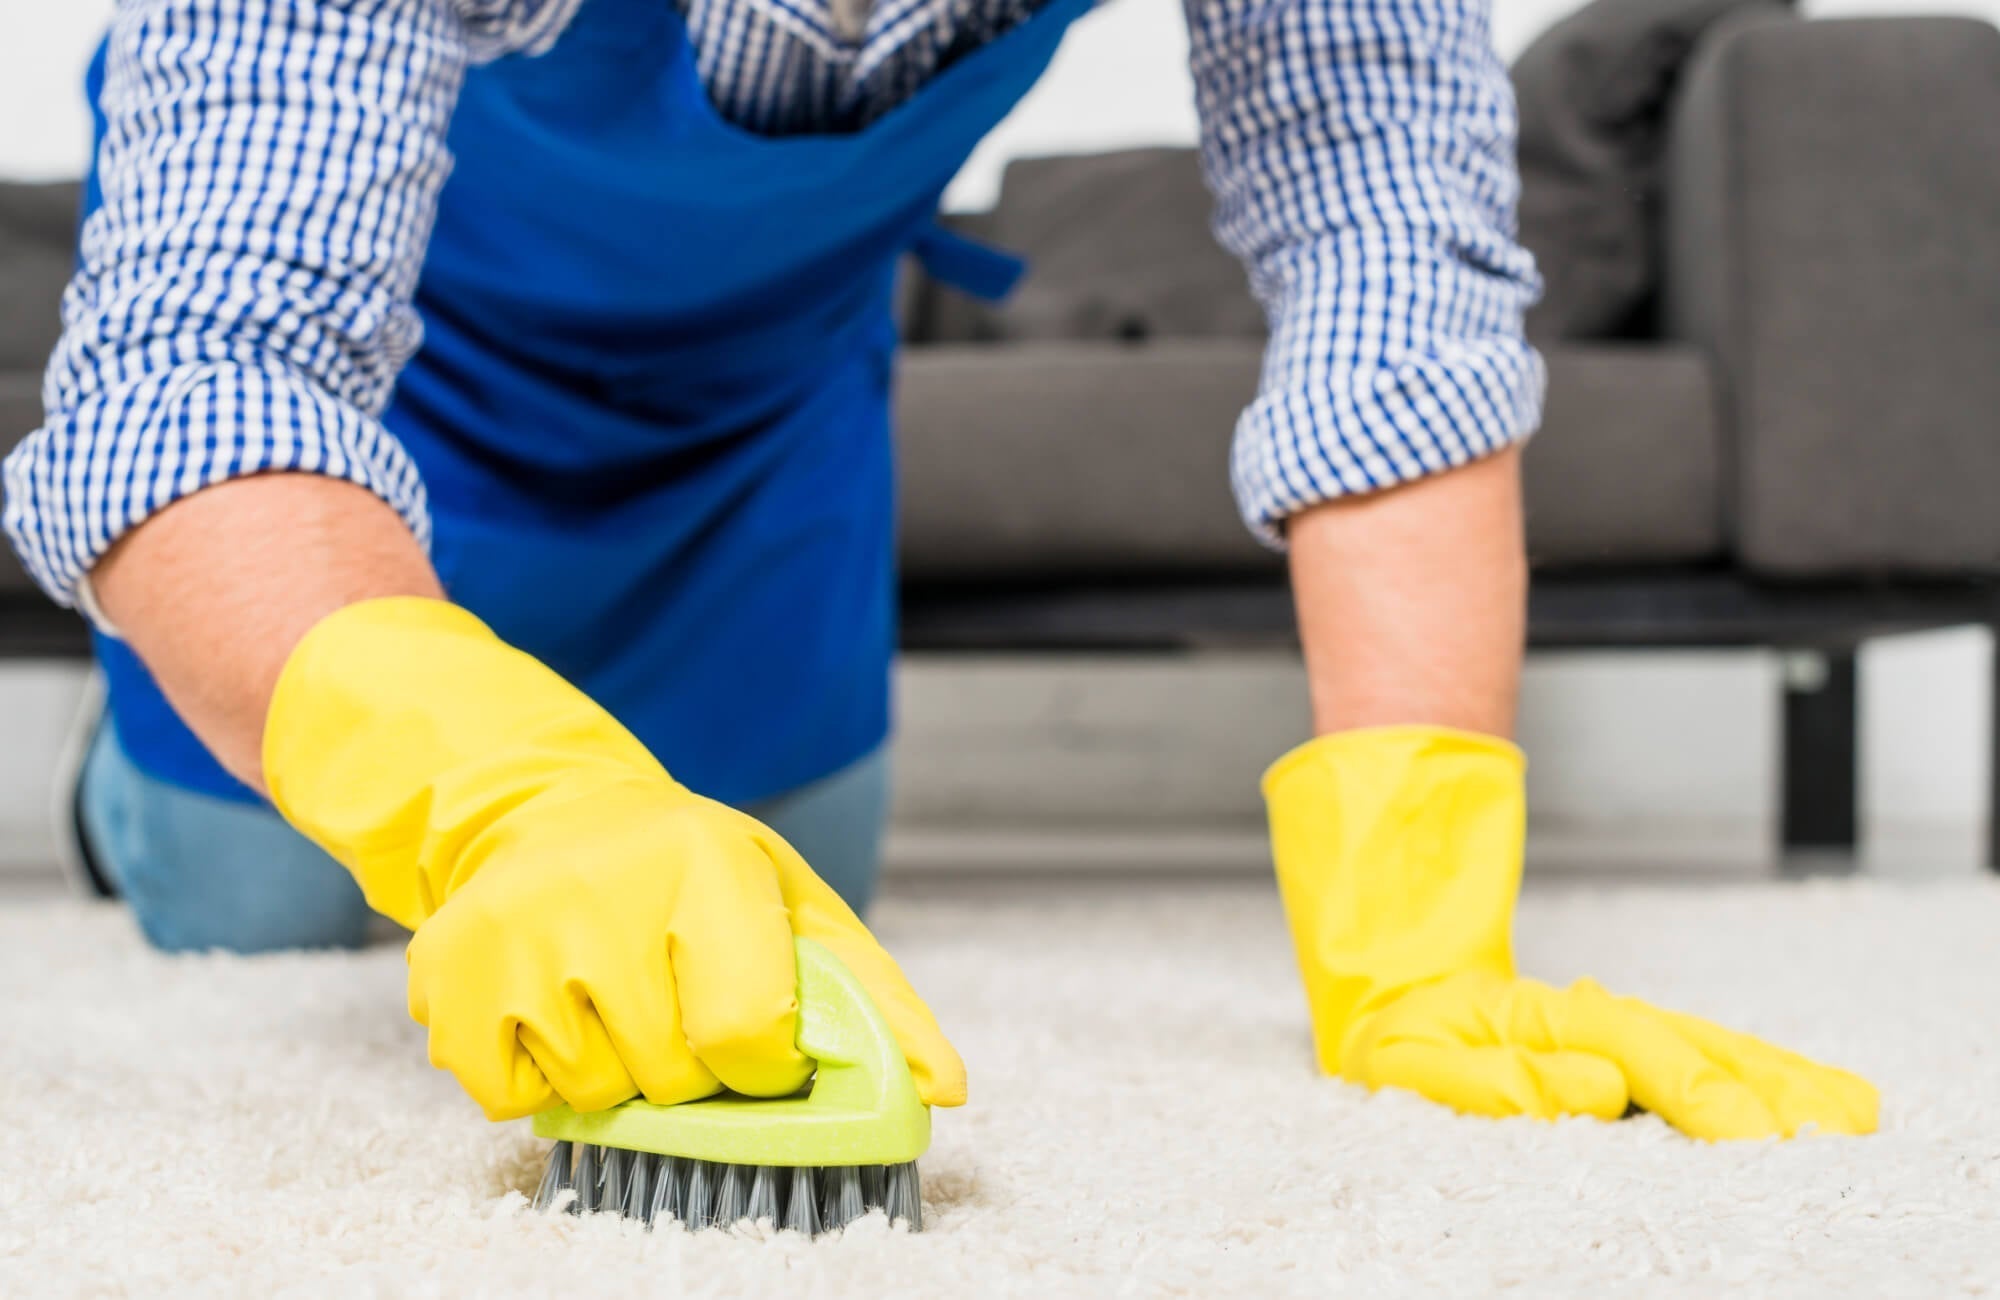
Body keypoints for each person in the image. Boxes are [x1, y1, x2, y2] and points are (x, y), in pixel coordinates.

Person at [2, 0, 1875, 1140]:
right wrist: (493, 799)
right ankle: (129, 788)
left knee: (778, 925)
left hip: (755, 411)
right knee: (264, 900)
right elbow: (202, 377)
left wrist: (1423, 934)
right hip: (387, 385)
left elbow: (1392, 261)